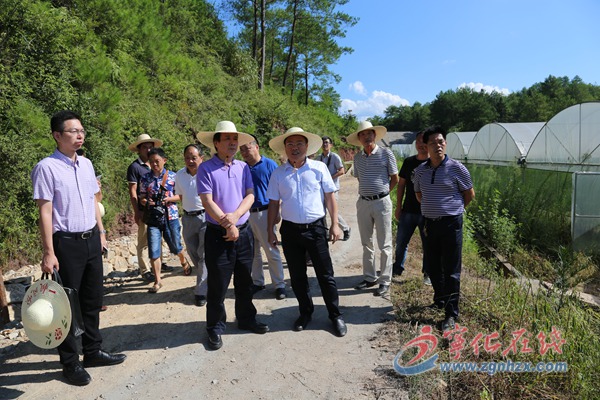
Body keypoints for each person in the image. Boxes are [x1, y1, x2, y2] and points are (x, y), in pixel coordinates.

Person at [31, 110, 126, 386]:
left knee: (92, 300)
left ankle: (93, 351)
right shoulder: (46, 168)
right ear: (57, 135)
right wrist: (48, 251)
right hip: (66, 244)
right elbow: (45, 212)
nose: (80, 135)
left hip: (91, 239)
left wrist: (102, 232)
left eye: (82, 130)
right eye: (73, 131)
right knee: (67, 306)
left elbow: (93, 201)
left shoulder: (86, 164)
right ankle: (70, 362)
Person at [266, 127, 347, 337]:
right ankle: (305, 312)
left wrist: (335, 224)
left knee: (325, 275)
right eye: (290, 144)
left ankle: (335, 315)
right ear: (285, 148)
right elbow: (273, 204)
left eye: (299, 143)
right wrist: (270, 230)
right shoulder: (278, 173)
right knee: (297, 276)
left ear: (307, 146)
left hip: (316, 229)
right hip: (290, 231)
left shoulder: (319, 168)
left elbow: (329, 197)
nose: (295, 148)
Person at [196, 121, 269, 351]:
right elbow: (207, 201)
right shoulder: (206, 168)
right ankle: (215, 327)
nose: (232, 143)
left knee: (245, 281)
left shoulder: (243, 167)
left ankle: (246, 318)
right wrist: (227, 224)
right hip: (218, 234)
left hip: (243, 231)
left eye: (235, 139)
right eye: (227, 139)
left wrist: (236, 217)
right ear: (216, 143)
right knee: (218, 284)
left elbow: (250, 195)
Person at [412, 126, 475, 332]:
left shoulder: (457, 168)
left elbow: (469, 194)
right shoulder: (420, 171)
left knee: (451, 270)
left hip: (451, 224)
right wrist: (433, 209)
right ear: (425, 146)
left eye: (441, 142)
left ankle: (451, 313)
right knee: (432, 266)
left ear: (445, 144)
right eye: (433, 143)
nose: (438, 146)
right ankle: (439, 300)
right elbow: (419, 195)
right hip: (430, 224)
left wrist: (452, 210)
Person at [347, 121, 399, 297]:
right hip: (363, 202)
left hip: (382, 202)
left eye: (369, 133)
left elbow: (395, 178)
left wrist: (383, 193)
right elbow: (360, 178)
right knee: (366, 242)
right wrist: (369, 193)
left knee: (384, 244)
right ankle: (370, 277)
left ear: (374, 135)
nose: (366, 137)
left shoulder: (386, 153)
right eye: (362, 134)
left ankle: (385, 280)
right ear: (359, 139)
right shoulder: (357, 158)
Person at [239, 136, 287, 300]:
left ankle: (279, 284)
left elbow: (278, 189)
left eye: (247, 148)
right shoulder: (242, 168)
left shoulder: (269, 165)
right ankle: (258, 282)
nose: (244, 152)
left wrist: (277, 211)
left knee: (271, 249)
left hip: (265, 212)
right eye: (242, 150)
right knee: (253, 253)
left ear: (256, 147)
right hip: (246, 214)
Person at [139, 147, 191, 293]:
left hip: (170, 216)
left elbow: (181, 196)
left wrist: (168, 199)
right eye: (151, 162)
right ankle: (158, 281)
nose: (154, 164)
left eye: (157, 161)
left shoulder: (174, 177)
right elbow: (142, 197)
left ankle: (183, 260)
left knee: (175, 245)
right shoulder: (145, 178)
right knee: (154, 249)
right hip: (153, 218)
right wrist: (147, 202)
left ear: (164, 160)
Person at [127, 133, 171, 281]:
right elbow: (133, 191)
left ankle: (158, 265)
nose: (148, 150)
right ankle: (145, 269)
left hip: (160, 210)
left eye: (150, 147)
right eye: (144, 147)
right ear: (139, 149)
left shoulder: (155, 164)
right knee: (144, 241)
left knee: (158, 238)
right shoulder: (135, 167)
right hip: (145, 210)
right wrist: (137, 211)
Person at [392, 131, 431, 285]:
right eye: (418, 141)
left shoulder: (434, 163)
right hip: (408, 210)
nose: (421, 145)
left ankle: (428, 273)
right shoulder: (409, 162)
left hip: (427, 213)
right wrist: (398, 206)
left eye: (424, 141)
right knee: (401, 242)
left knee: (428, 245)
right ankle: (397, 268)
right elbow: (401, 185)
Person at [175, 144, 209, 307]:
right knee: (192, 251)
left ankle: (201, 291)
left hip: (206, 217)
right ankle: (207, 278)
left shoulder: (208, 173)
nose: (190, 161)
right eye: (187, 158)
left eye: (194, 158)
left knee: (204, 254)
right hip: (188, 218)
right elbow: (181, 196)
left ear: (201, 158)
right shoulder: (180, 175)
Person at [315, 136, 351, 241]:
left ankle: (346, 228)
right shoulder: (318, 158)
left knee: (332, 211)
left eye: (327, 142)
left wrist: (329, 178)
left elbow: (342, 171)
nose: (325, 144)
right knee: (322, 211)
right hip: (321, 189)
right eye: (323, 143)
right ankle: (325, 233)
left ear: (331, 145)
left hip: (333, 189)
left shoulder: (335, 157)